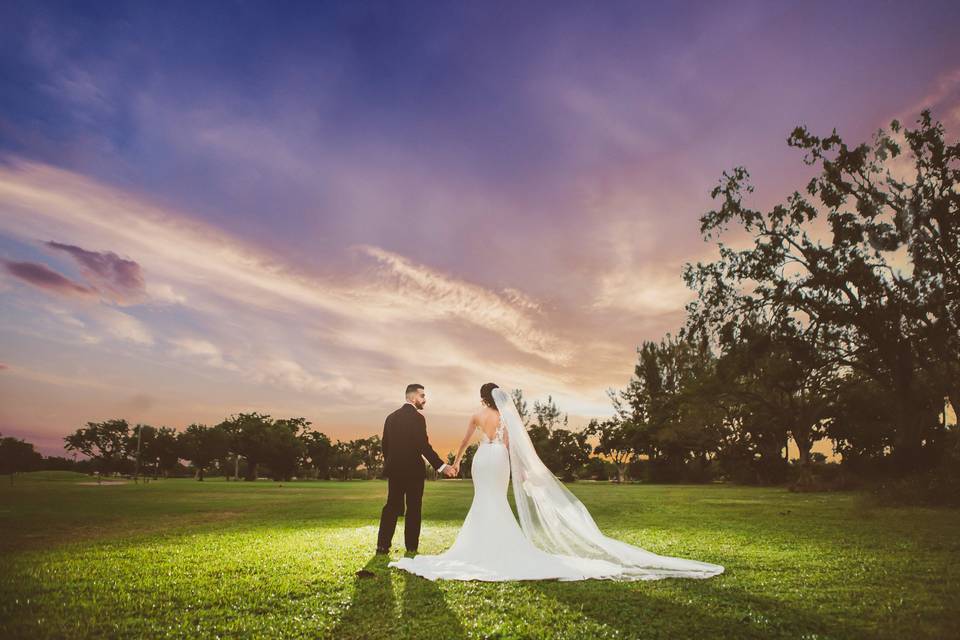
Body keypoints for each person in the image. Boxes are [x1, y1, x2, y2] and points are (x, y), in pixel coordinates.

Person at [388, 383, 725, 581]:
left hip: (481, 461)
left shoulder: (476, 416)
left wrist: (456, 462)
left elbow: (463, 443)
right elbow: (511, 447)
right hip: (500, 461)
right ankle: (501, 544)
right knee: (495, 500)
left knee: (482, 500)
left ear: (481, 398)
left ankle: (478, 545)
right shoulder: (506, 418)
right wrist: (521, 473)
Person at [376, 383, 456, 555]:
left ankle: (382, 546)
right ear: (413, 398)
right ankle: (411, 547)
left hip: (395, 471)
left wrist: (391, 463)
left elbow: (385, 445)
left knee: (391, 506)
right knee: (413, 509)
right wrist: (442, 466)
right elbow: (423, 446)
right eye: (422, 396)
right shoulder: (418, 418)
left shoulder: (390, 417)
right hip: (413, 472)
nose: (424, 400)